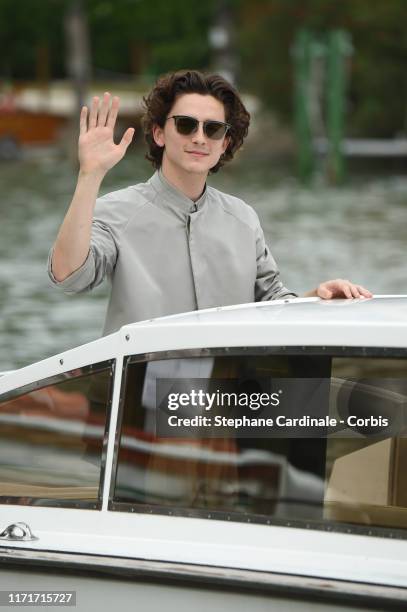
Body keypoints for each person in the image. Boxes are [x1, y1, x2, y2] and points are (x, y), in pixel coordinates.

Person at [48, 69, 372, 336]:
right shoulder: (116, 211)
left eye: (213, 129)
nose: (200, 138)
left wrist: (318, 297)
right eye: (186, 124)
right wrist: (90, 175)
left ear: (225, 143)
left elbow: (273, 304)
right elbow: (69, 276)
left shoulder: (243, 219)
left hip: (230, 401)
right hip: (143, 404)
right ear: (160, 134)